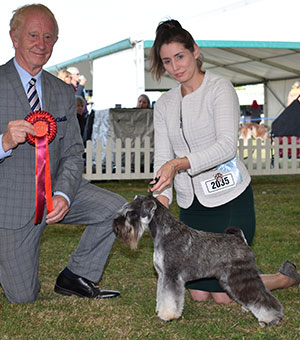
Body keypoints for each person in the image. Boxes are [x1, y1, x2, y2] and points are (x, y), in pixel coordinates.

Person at [149, 19, 300, 305]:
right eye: (167, 61)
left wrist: (179, 164)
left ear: (195, 50)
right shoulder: (165, 104)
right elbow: (162, 156)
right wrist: (162, 198)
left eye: (180, 56)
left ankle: (283, 279)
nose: (175, 67)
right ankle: (251, 279)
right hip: (192, 204)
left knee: (223, 294)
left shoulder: (220, 88)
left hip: (230, 196)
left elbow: (226, 147)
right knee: (198, 293)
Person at [0, 4, 127, 304]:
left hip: (57, 190)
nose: (41, 44)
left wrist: (65, 195)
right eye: (33, 35)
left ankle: (75, 276)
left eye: (48, 37)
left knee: (117, 210)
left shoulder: (62, 91)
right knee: (23, 297)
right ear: (14, 37)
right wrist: (3, 142)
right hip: (12, 205)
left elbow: (72, 151)